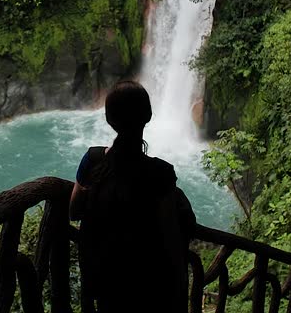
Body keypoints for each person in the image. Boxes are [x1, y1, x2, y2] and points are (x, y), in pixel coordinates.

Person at [69, 80, 196, 313]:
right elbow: (170, 237)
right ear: (148, 116)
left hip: (104, 277)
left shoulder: (92, 160)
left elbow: (73, 211)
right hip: (146, 283)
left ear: (109, 120)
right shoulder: (162, 173)